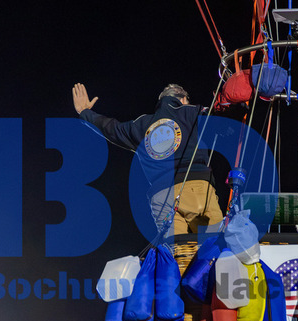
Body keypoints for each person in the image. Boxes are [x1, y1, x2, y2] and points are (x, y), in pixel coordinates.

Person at [72, 83, 223, 236]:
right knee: (214, 242)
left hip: (161, 199)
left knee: (176, 250)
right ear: (183, 99)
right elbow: (223, 120)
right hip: (194, 188)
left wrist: (85, 112)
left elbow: (111, 128)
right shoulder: (191, 111)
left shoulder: (140, 124)